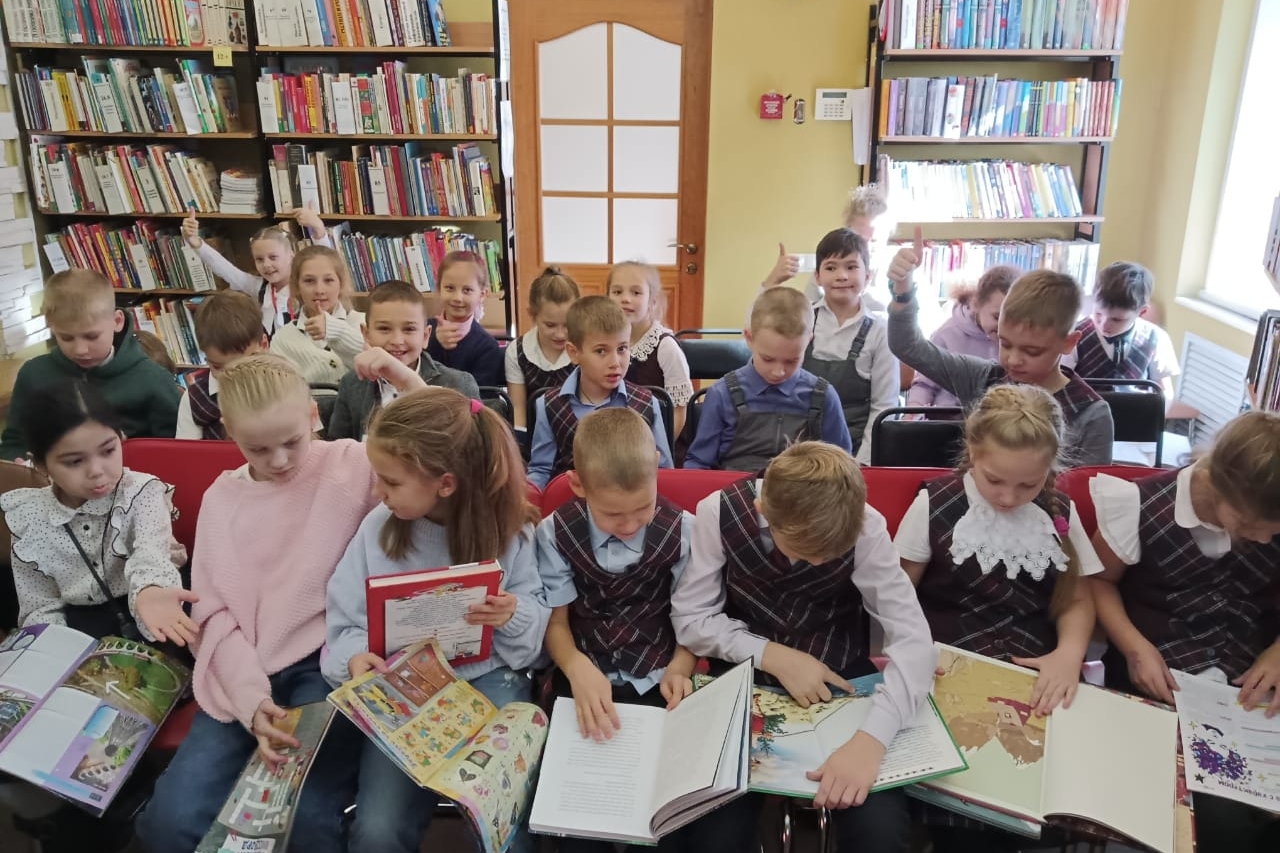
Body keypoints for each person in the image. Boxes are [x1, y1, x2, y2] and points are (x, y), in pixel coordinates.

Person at [135, 353, 400, 853]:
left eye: (292, 442)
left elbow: (443, 443)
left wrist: (402, 376)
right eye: (257, 448)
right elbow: (213, 614)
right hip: (241, 669)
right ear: (229, 433)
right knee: (169, 823)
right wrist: (250, 700)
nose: (279, 461)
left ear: (314, 416)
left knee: (304, 820)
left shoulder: (352, 464)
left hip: (328, 664)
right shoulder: (223, 498)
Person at [671, 441, 936, 853]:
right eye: (805, 551)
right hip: (743, 676)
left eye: (832, 554)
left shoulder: (866, 524)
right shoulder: (717, 513)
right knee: (714, 834)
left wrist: (871, 742)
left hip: (841, 676)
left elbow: (915, 642)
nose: (818, 564)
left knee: (881, 832)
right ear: (763, 511)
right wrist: (771, 655)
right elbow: (691, 619)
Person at [325, 385, 549, 853]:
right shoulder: (377, 529)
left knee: (503, 824)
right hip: (402, 690)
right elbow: (344, 625)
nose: (378, 492)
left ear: (445, 484)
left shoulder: (512, 533)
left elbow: (533, 649)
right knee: (377, 831)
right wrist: (355, 658)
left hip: (488, 680)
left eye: (391, 482)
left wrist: (511, 615)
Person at [2, 380, 194, 853]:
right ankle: (56, 814)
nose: (98, 471)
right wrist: (53, 665)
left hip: (146, 621)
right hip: (73, 630)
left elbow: (151, 558)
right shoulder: (27, 516)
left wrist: (151, 594)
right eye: (74, 461)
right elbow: (39, 606)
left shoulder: (141, 492)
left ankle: (101, 821)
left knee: (97, 741)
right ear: (40, 464)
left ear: (121, 438)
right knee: (32, 721)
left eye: (109, 450)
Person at [1088, 409, 1280, 852]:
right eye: (1250, 527)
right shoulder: (1138, 504)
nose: (1263, 541)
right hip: (1159, 682)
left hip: (1248, 689)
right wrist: (1134, 647)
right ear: (1217, 483)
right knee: (1220, 823)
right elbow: (1096, 582)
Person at [885, 232, 1115, 465]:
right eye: (1004, 343)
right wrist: (903, 291)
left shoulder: (1090, 413)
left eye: (1032, 351)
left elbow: (1088, 485)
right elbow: (908, 347)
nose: (1013, 360)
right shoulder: (985, 377)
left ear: (1069, 342)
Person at [0, 269, 180, 461]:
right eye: (66, 338)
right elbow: (14, 442)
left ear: (117, 321)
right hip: (48, 477)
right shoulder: (33, 374)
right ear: (51, 327)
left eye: (91, 336)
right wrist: (18, 462)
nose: (80, 350)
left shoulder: (154, 379)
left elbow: (174, 451)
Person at [685, 287, 851, 472]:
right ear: (749, 338)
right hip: (736, 487)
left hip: (803, 488)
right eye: (768, 359)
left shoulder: (824, 397)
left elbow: (842, 466)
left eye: (791, 361)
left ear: (809, 341)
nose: (778, 372)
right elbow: (698, 463)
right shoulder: (722, 394)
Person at [527, 297, 673, 490]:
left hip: (633, 504)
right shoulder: (549, 405)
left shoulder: (647, 403)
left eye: (622, 349)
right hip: (573, 503)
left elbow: (664, 471)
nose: (615, 362)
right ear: (573, 353)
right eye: (601, 351)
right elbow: (541, 471)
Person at [790, 228, 898, 463]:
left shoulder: (881, 331)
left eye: (851, 267)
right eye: (831, 268)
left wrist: (862, 463)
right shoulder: (801, 320)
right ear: (817, 276)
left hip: (856, 452)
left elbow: (883, 407)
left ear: (868, 276)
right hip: (799, 449)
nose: (841, 276)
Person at [327, 279, 479, 441]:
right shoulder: (351, 384)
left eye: (409, 329)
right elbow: (338, 448)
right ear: (366, 334)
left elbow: (474, 448)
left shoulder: (458, 384)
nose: (397, 340)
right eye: (384, 329)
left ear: (425, 336)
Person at [183, 208, 330, 337]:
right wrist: (196, 243)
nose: (266, 265)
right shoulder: (259, 287)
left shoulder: (306, 286)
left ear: (291, 255)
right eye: (259, 259)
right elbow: (225, 269)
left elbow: (327, 264)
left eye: (273, 257)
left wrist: (318, 229)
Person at [763, 184, 895, 307]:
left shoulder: (894, 278)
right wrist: (772, 281)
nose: (867, 247)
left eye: (874, 240)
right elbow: (805, 316)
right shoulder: (826, 274)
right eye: (859, 239)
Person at [906, 265, 1019, 409]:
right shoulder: (946, 334)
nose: (1003, 327)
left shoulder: (1018, 341)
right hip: (948, 416)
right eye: (997, 317)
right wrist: (914, 408)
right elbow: (925, 384)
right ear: (976, 304)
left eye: (1012, 319)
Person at [1067, 261, 1180, 397]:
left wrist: (1158, 408)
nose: (1104, 324)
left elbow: (1164, 391)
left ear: (1142, 312)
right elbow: (1061, 384)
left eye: (1116, 319)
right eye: (1098, 314)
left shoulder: (1156, 338)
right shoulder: (1075, 335)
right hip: (1086, 408)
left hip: (1136, 409)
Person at [608, 261, 694, 436]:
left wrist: (661, 448)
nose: (625, 299)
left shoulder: (665, 346)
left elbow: (679, 411)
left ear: (652, 302)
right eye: (617, 292)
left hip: (658, 440)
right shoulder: (605, 341)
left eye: (636, 292)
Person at [177, 290, 269, 440]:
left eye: (244, 365)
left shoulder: (287, 386)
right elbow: (187, 452)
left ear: (263, 346)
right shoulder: (195, 399)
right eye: (218, 367)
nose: (233, 376)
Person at [269, 245, 365, 385]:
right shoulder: (283, 339)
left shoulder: (363, 322)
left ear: (341, 283)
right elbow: (281, 389)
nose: (319, 290)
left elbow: (380, 366)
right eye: (309, 281)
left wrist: (335, 330)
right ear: (297, 286)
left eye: (328, 280)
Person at [506, 266, 579, 435]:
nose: (560, 334)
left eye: (567, 325)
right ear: (532, 315)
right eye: (550, 325)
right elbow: (518, 410)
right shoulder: (517, 352)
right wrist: (521, 444)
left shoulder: (583, 347)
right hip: (534, 436)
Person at [425, 250, 505, 387]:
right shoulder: (422, 330)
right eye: (450, 288)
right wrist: (434, 342)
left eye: (467, 290)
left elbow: (480, 395)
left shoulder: (487, 346)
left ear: (482, 295)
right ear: (439, 288)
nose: (457, 298)